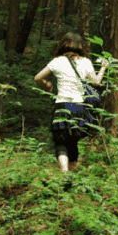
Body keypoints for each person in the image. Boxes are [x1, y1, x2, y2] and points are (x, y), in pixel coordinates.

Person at [34, 32, 108, 173]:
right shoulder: (85, 62)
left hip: (62, 104)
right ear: (80, 46)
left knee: (60, 140)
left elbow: (37, 77)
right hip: (79, 106)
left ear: (63, 45)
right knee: (73, 140)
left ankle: (64, 171)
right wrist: (103, 67)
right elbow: (96, 82)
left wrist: (46, 84)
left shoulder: (57, 61)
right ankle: (72, 173)